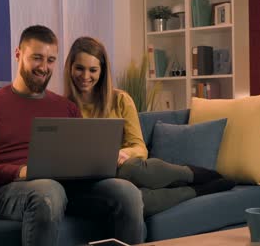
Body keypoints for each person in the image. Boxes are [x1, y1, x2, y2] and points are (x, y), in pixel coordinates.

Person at [0, 26, 144, 246]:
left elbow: (79, 157)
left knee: (126, 192)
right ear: (18, 54)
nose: (44, 67)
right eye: (37, 58)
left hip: (64, 187)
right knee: (48, 190)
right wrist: (22, 171)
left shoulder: (66, 108)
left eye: (50, 60)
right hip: (9, 191)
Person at [64, 36, 235, 217]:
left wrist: (122, 154)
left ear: (102, 71)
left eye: (93, 70)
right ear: (70, 68)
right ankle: (201, 190)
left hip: (123, 169)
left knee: (131, 169)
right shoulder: (62, 106)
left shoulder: (120, 100)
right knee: (136, 201)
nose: (85, 76)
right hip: (92, 181)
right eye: (80, 69)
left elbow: (140, 148)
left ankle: (190, 174)